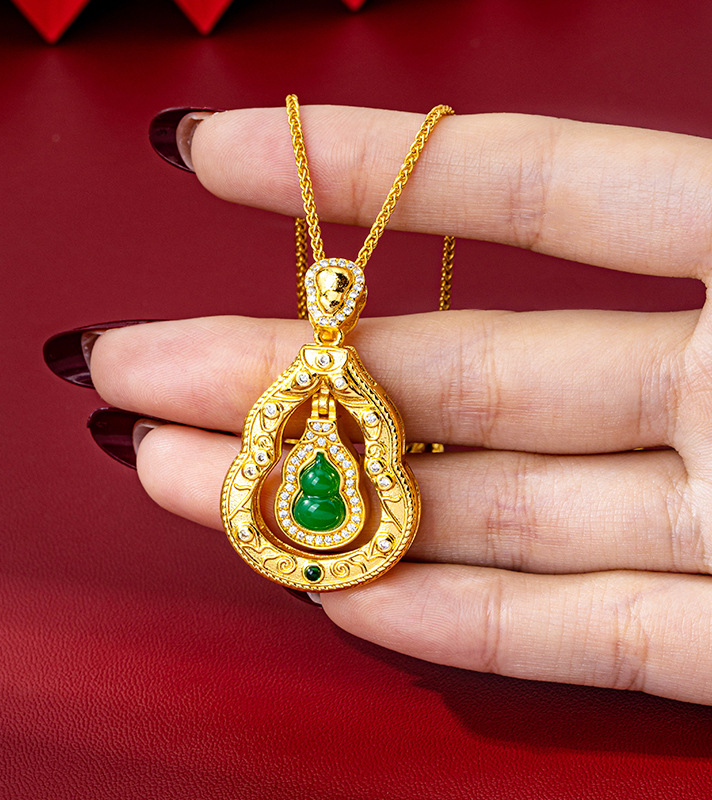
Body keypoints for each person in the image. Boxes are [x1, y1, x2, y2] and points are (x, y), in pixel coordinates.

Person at [45, 104, 712, 706]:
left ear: (352, 298)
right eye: (328, 294)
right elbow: (271, 430)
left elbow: (369, 438)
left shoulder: (343, 380)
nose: (335, 301)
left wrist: (351, 422)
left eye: (343, 295)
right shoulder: (317, 371)